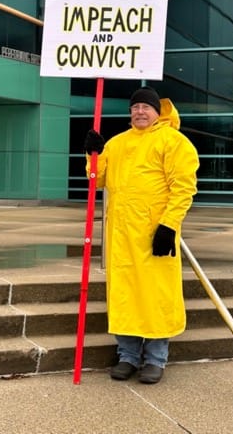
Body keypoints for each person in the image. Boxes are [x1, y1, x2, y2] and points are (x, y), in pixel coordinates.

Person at [84, 86, 199, 384]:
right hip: (121, 237)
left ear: (157, 112)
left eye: (146, 107)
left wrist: (169, 225)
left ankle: (156, 359)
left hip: (154, 235)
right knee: (126, 297)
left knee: (155, 296)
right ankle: (128, 356)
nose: (139, 112)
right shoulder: (117, 143)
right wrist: (93, 153)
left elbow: (183, 187)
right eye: (135, 107)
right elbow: (98, 180)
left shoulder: (173, 142)